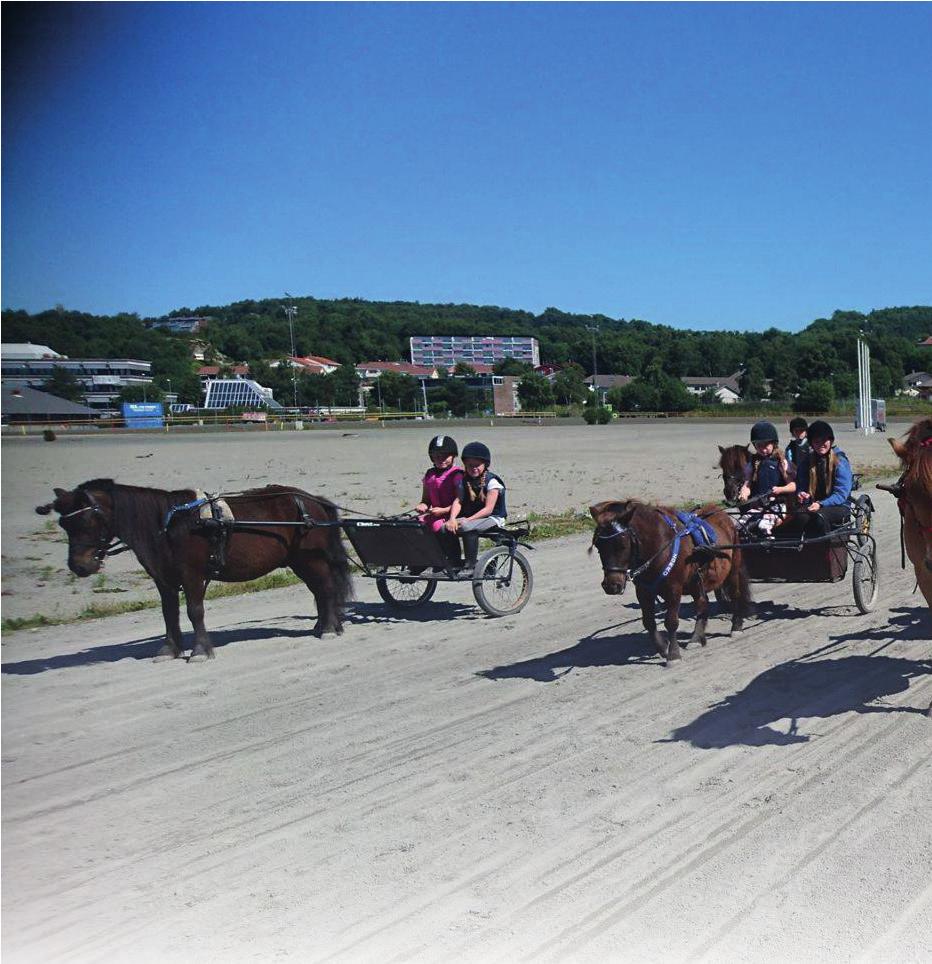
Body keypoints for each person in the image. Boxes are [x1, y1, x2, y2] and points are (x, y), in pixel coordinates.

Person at [445, 441, 507, 575]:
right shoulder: (464, 480)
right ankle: (454, 562)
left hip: (493, 518)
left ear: (485, 464)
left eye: (477, 465)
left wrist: (468, 520)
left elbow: (488, 509)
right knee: (446, 527)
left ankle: (471, 565)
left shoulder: (492, 482)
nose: (473, 468)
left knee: (467, 527)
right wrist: (452, 518)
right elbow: (459, 500)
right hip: (475, 518)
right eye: (469, 465)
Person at [737, 420, 795, 537]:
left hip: (778, 506)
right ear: (754, 445)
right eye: (759, 446)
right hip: (759, 506)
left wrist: (780, 489)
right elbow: (747, 484)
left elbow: (793, 486)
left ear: (774, 443)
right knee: (740, 524)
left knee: (763, 526)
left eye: (766, 445)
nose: (763, 449)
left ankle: (768, 547)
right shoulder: (752, 464)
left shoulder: (782, 462)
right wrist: (744, 493)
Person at [794, 420, 854, 533]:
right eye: (816, 441)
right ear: (811, 443)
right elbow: (801, 484)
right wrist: (801, 493)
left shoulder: (840, 461)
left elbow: (841, 494)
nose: (821, 444)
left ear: (831, 440)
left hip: (839, 506)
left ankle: (824, 549)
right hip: (814, 505)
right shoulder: (807, 461)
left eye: (824, 440)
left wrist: (821, 504)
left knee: (819, 519)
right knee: (799, 518)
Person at [415, 435, 464, 565]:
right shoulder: (429, 474)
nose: (440, 459)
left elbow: (462, 501)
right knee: (414, 526)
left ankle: (452, 559)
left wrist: (443, 510)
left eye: (445, 456)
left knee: (439, 527)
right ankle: (421, 560)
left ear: (453, 456)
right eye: (436, 456)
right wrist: (422, 505)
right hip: (435, 514)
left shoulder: (457, 475)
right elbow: (425, 499)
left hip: (453, 513)